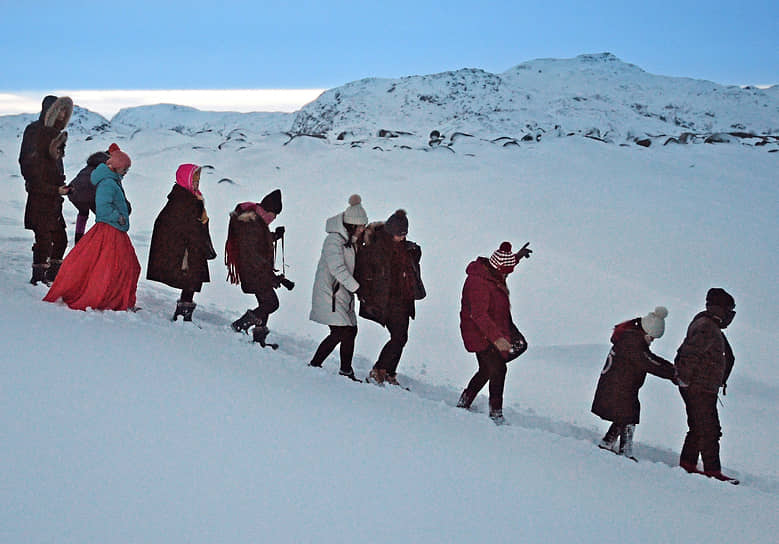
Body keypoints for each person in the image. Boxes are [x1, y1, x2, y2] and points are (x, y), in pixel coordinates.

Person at [43, 144, 141, 311]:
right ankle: (109, 298)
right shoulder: (108, 183)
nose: (126, 172)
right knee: (119, 266)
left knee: (122, 265)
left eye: (127, 169)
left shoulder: (110, 180)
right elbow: (103, 209)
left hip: (114, 229)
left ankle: (114, 297)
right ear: (116, 166)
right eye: (125, 168)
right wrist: (119, 217)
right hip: (111, 230)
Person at [456, 241, 532, 425]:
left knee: (487, 368)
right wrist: (497, 339)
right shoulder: (478, 282)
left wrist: (518, 256)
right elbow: (478, 315)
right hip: (479, 332)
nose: (506, 275)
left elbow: (504, 262)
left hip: (494, 326)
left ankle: (465, 401)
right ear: (498, 268)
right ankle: (496, 413)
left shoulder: (492, 273)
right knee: (498, 369)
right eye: (506, 272)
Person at [591, 307, 675, 460]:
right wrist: (673, 373)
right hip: (617, 387)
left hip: (618, 386)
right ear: (646, 331)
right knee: (628, 415)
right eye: (652, 337)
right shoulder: (633, 342)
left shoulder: (631, 336)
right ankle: (625, 451)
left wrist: (672, 370)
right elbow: (650, 362)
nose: (652, 341)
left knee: (623, 414)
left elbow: (648, 358)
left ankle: (607, 442)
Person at [674, 288, 739, 484]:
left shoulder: (711, 325)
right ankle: (712, 471)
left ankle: (688, 464)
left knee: (698, 426)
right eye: (729, 309)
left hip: (703, 386)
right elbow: (690, 354)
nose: (731, 314)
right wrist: (685, 379)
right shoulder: (707, 327)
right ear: (719, 308)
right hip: (699, 387)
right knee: (710, 429)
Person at [355, 209, 425, 386]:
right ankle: (378, 370)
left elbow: (408, 266)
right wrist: (366, 297)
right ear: (390, 232)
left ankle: (388, 372)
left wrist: (415, 252)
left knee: (402, 337)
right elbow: (365, 274)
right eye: (399, 235)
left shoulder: (403, 247)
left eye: (404, 234)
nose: (402, 238)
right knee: (398, 337)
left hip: (403, 299)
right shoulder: (376, 248)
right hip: (386, 300)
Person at [308, 195, 369, 381]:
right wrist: (357, 288)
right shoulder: (334, 241)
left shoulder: (350, 240)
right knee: (340, 332)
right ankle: (315, 364)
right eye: (360, 226)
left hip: (342, 295)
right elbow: (338, 269)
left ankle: (345, 370)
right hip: (330, 295)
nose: (362, 229)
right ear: (351, 225)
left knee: (350, 330)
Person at [147, 164, 216, 322]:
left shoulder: (191, 197)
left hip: (191, 247)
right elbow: (176, 225)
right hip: (185, 249)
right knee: (190, 279)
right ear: (185, 179)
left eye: (198, 179)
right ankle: (183, 315)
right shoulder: (184, 199)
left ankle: (183, 314)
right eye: (194, 178)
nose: (197, 182)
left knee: (192, 281)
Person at [18, 95, 73, 285]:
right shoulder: (35, 131)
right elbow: (29, 167)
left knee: (60, 239)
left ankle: (51, 277)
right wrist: (52, 189)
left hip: (54, 198)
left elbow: (53, 167)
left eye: (65, 111)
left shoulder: (54, 134)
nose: (63, 114)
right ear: (50, 112)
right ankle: (39, 280)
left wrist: (60, 187)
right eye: (59, 110)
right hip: (41, 196)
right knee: (44, 239)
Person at [224, 189, 287, 346]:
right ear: (266, 210)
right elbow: (252, 251)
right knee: (271, 303)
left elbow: (258, 242)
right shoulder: (252, 223)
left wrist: (274, 236)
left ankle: (259, 340)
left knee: (265, 303)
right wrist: (269, 275)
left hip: (255, 271)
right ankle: (241, 324)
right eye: (273, 215)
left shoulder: (255, 221)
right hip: (254, 271)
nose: (273, 219)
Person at [66, 149, 111, 243]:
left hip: (73, 192)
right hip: (89, 194)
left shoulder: (89, 166)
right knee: (103, 218)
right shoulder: (104, 168)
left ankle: (78, 240)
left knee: (83, 213)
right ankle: (100, 240)